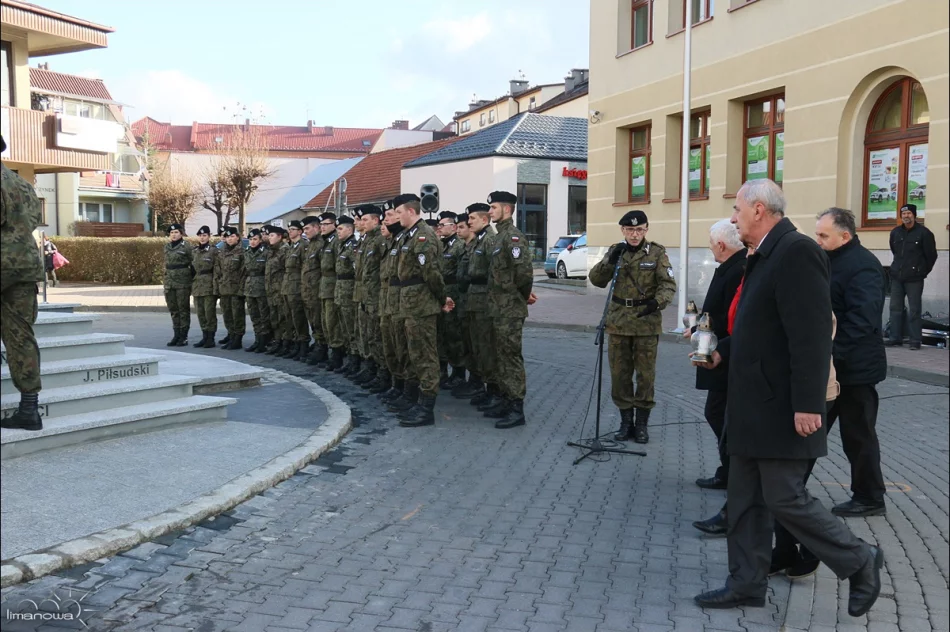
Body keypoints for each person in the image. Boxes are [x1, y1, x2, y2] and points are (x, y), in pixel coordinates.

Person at [693, 179, 883, 618]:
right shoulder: (761, 254)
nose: (734, 217)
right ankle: (746, 583)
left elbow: (811, 336)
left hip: (781, 406)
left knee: (784, 498)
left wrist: (808, 405)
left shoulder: (797, 251)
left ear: (759, 210)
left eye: (738, 209)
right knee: (745, 501)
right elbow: (758, 331)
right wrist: (721, 352)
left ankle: (859, 559)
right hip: (751, 406)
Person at [816, 207, 888, 518]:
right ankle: (786, 489)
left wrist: (832, 353)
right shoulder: (828, 260)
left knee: (858, 436)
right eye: (816, 234)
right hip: (832, 365)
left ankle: (870, 497)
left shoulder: (864, 266)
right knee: (810, 430)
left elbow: (863, 319)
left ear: (845, 236)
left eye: (823, 235)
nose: (817, 240)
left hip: (854, 369)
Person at [588, 210, 676, 444]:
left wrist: (657, 303)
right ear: (622, 231)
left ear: (646, 230)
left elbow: (668, 285)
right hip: (618, 323)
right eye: (630, 230)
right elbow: (596, 280)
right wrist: (610, 260)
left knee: (646, 377)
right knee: (620, 376)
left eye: (639, 230)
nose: (634, 235)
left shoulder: (656, 253)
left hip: (646, 323)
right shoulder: (616, 250)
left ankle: (642, 425)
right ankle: (626, 422)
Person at [693, 220, 746, 491]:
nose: (710, 247)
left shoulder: (739, 269)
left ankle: (733, 472)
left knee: (719, 414)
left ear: (721, 245)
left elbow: (732, 314)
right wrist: (697, 326)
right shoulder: (731, 266)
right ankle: (728, 470)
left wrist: (708, 336)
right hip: (718, 347)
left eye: (711, 243)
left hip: (725, 353)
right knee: (717, 413)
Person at [391, 193, 452, 427]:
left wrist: (440, 298)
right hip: (411, 302)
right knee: (415, 353)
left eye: (399, 212)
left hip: (422, 303)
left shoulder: (424, 236)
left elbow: (432, 274)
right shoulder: (410, 235)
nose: (396, 217)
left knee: (425, 355)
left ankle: (427, 409)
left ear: (411, 211)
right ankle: (418, 401)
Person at [1, 135, 45, 431]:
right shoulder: (22, 184)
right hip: (25, 266)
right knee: (20, 336)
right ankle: (29, 408)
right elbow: (32, 221)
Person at [484, 191, 534, 429]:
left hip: (509, 309)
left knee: (510, 358)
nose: (490, 212)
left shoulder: (513, 238)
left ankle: (516, 407)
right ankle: (505, 400)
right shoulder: (499, 237)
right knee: (500, 357)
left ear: (507, 209)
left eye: (493, 207)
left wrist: (521, 297)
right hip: (498, 308)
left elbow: (523, 273)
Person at [456, 203, 496, 405]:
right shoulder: (479, 241)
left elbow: (494, 274)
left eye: (472, 218)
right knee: (476, 346)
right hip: (473, 299)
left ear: (484, 220)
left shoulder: (489, 240)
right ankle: (481, 385)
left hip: (484, 302)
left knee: (486, 347)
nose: (468, 222)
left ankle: (492, 390)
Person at [886, 203, 937, 350]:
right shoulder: (895, 232)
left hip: (914, 278)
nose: (906, 216)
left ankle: (915, 340)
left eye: (909, 213)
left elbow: (931, 256)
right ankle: (895, 338)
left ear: (914, 215)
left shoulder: (924, 233)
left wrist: (922, 272)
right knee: (895, 308)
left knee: (914, 309)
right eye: (903, 214)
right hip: (897, 276)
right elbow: (894, 250)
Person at [379, 201, 411, 400]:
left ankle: (409, 391)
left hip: (404, 301)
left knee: (404, 347)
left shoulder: (409, 238)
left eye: (391, 215)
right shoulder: (394, 241)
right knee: (392, 345)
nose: (386, 219)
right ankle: (397, 384)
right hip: (390, 299)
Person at [353, 205, 386, 388]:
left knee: (376, 336)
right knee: (366, 335)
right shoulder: (366, 241)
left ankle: (381, 373)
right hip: (365, 295)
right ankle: (370, 368)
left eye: (365, 219)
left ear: (376, 220)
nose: (362, 223)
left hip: (375, 296)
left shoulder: (380, 240)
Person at [436, 210, 468, 390]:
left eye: (442, 225)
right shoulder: (442, 245)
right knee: (442, 334)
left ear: (453, 227)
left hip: (454, 294)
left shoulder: (458, 245)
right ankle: (443, 371)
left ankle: (458, 372)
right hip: (443, 293)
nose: (439, 228)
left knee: (454, 335)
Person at [451, 212, 476, 396]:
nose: (457, 230)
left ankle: (477, 384)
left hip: (475, 301)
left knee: (476, 346)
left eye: (461, 227)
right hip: (464, 300)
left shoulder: (481, 245)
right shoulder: (467, 247)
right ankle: (468, 380)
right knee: (465, 343)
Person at [333, 215, 360, 374]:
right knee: (344, 328)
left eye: (341, 228)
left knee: (352, 328)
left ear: (350, 229)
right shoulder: (342, 245)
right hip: (340, 290)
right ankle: (350, 359)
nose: (338, 232)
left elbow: (357, 271)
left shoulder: (353, 247)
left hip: (349, 290)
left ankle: (355, 361)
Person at [318, 213, 344, 370]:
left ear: (334, 225)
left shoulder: (335, 242)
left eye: (326, 224)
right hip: (324, 287)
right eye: (321, 224)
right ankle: (331, 351)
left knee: (333, 323)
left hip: (333, 286)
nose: (322, 227)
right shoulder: (326, 241)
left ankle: (337, 355)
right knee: (326, 322)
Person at [282, 219, 310, 360]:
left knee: (299, 317)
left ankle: (303, 344)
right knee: (290, 317)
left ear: (300, 231)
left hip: (297, 286)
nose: (290, 231)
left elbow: (304, 268)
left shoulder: (303, 246)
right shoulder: (290, 246)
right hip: (288, 286)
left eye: (293, 229)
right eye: (289, 229)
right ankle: (296, 344)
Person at [162, 223, 194, 347]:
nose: (174, 235)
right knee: (174, 310)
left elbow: (193, 263)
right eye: (171, 233)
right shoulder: (167, 247)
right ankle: (176, 334)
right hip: (169, 282)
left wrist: (189, 278)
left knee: (183, 310)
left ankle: (183, 336)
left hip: (182, 282)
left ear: (181, 233)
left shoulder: (186, 246)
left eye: (176, 232)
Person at [302, 215, 326, 364]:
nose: (305, 232)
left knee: (319, 321)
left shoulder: (321, 244)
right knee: (313, 320)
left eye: (307, 228)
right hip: (308, 290)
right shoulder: (310, 244)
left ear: (316, 228)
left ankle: (321, 347)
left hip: (317, 289)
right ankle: (317, 344)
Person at [243, 228, 272, 352]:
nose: (252, 242)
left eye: (255, 239)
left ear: (260, 240)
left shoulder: (265, 252)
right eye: (250, 239)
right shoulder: (247, 252)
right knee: (254, 316)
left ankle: (264, 341)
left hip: (261, 287)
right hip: (250, 287)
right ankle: (257, 339)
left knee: (264, 316)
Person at [191, 225, 219, 348]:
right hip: (197, 285)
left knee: (209, 313)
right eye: (200, 236)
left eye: (204, 235)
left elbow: (217, 270)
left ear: (209, 236)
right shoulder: (195, 251)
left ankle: (211, 338)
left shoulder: (213, 251)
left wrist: (216, 287)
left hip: (209, 285)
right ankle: (204, 336)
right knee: (200, 313)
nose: (202, 238)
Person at [264, 226, 290, 355]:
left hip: (280, 289)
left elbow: (286, 270)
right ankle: (277, 341)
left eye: (272, 235)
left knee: (282, 317)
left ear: (280, 236)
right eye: (269, 236)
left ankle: (285, 343)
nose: (270, 238)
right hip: (271, 290)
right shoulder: (271, 251)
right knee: (274, 318)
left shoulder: (284, 250)